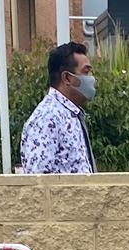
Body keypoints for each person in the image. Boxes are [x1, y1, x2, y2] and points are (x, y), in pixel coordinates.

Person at [20, 42, 97, 174]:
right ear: (67, 78)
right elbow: (39, 180)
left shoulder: (69, 114)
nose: (92, 79)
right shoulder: (47, 118)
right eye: (86, 72)